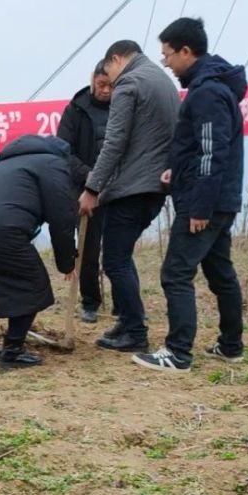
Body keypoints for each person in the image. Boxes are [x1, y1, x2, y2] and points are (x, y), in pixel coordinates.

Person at [133, 17, 246, 374]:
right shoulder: (210, 87)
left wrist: (200, 207)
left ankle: (178, 353)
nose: (166, 63)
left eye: (167, 55)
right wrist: (175, 170)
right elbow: (199, 149)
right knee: (220, 272)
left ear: (186, 51)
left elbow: (213, 153)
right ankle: (231, 345)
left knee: (176, 273)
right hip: (218, 199)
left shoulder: (208, 92)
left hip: (206, 203)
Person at [77, 40, 180, 352]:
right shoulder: (162, 80)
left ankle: (135, 331)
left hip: (132, 188)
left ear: (116, 59)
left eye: (108, 73)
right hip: (156, 187)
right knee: (122, 257)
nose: (110, 82)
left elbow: (114, 142)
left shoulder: (129, 83)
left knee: (115, 261)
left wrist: (92, 188)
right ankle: (128, 320)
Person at [0, 135, 77, 369]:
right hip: (2, 228)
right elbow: (62, 218)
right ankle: (13, 350)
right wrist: (67, 262)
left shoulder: (6, 164)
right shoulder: (53, 163)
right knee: (32, 283)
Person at [57, 61, 112, 323]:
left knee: (118, 251)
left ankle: (125, 305)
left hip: (117, 189)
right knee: (88, 249)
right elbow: (63, 150)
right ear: (93, 80)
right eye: (101, 84)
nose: (106, 90)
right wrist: (89, 176)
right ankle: (90, 301)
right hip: (84, 190)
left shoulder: (123, 107)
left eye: (111, 86)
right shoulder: (76, 110)